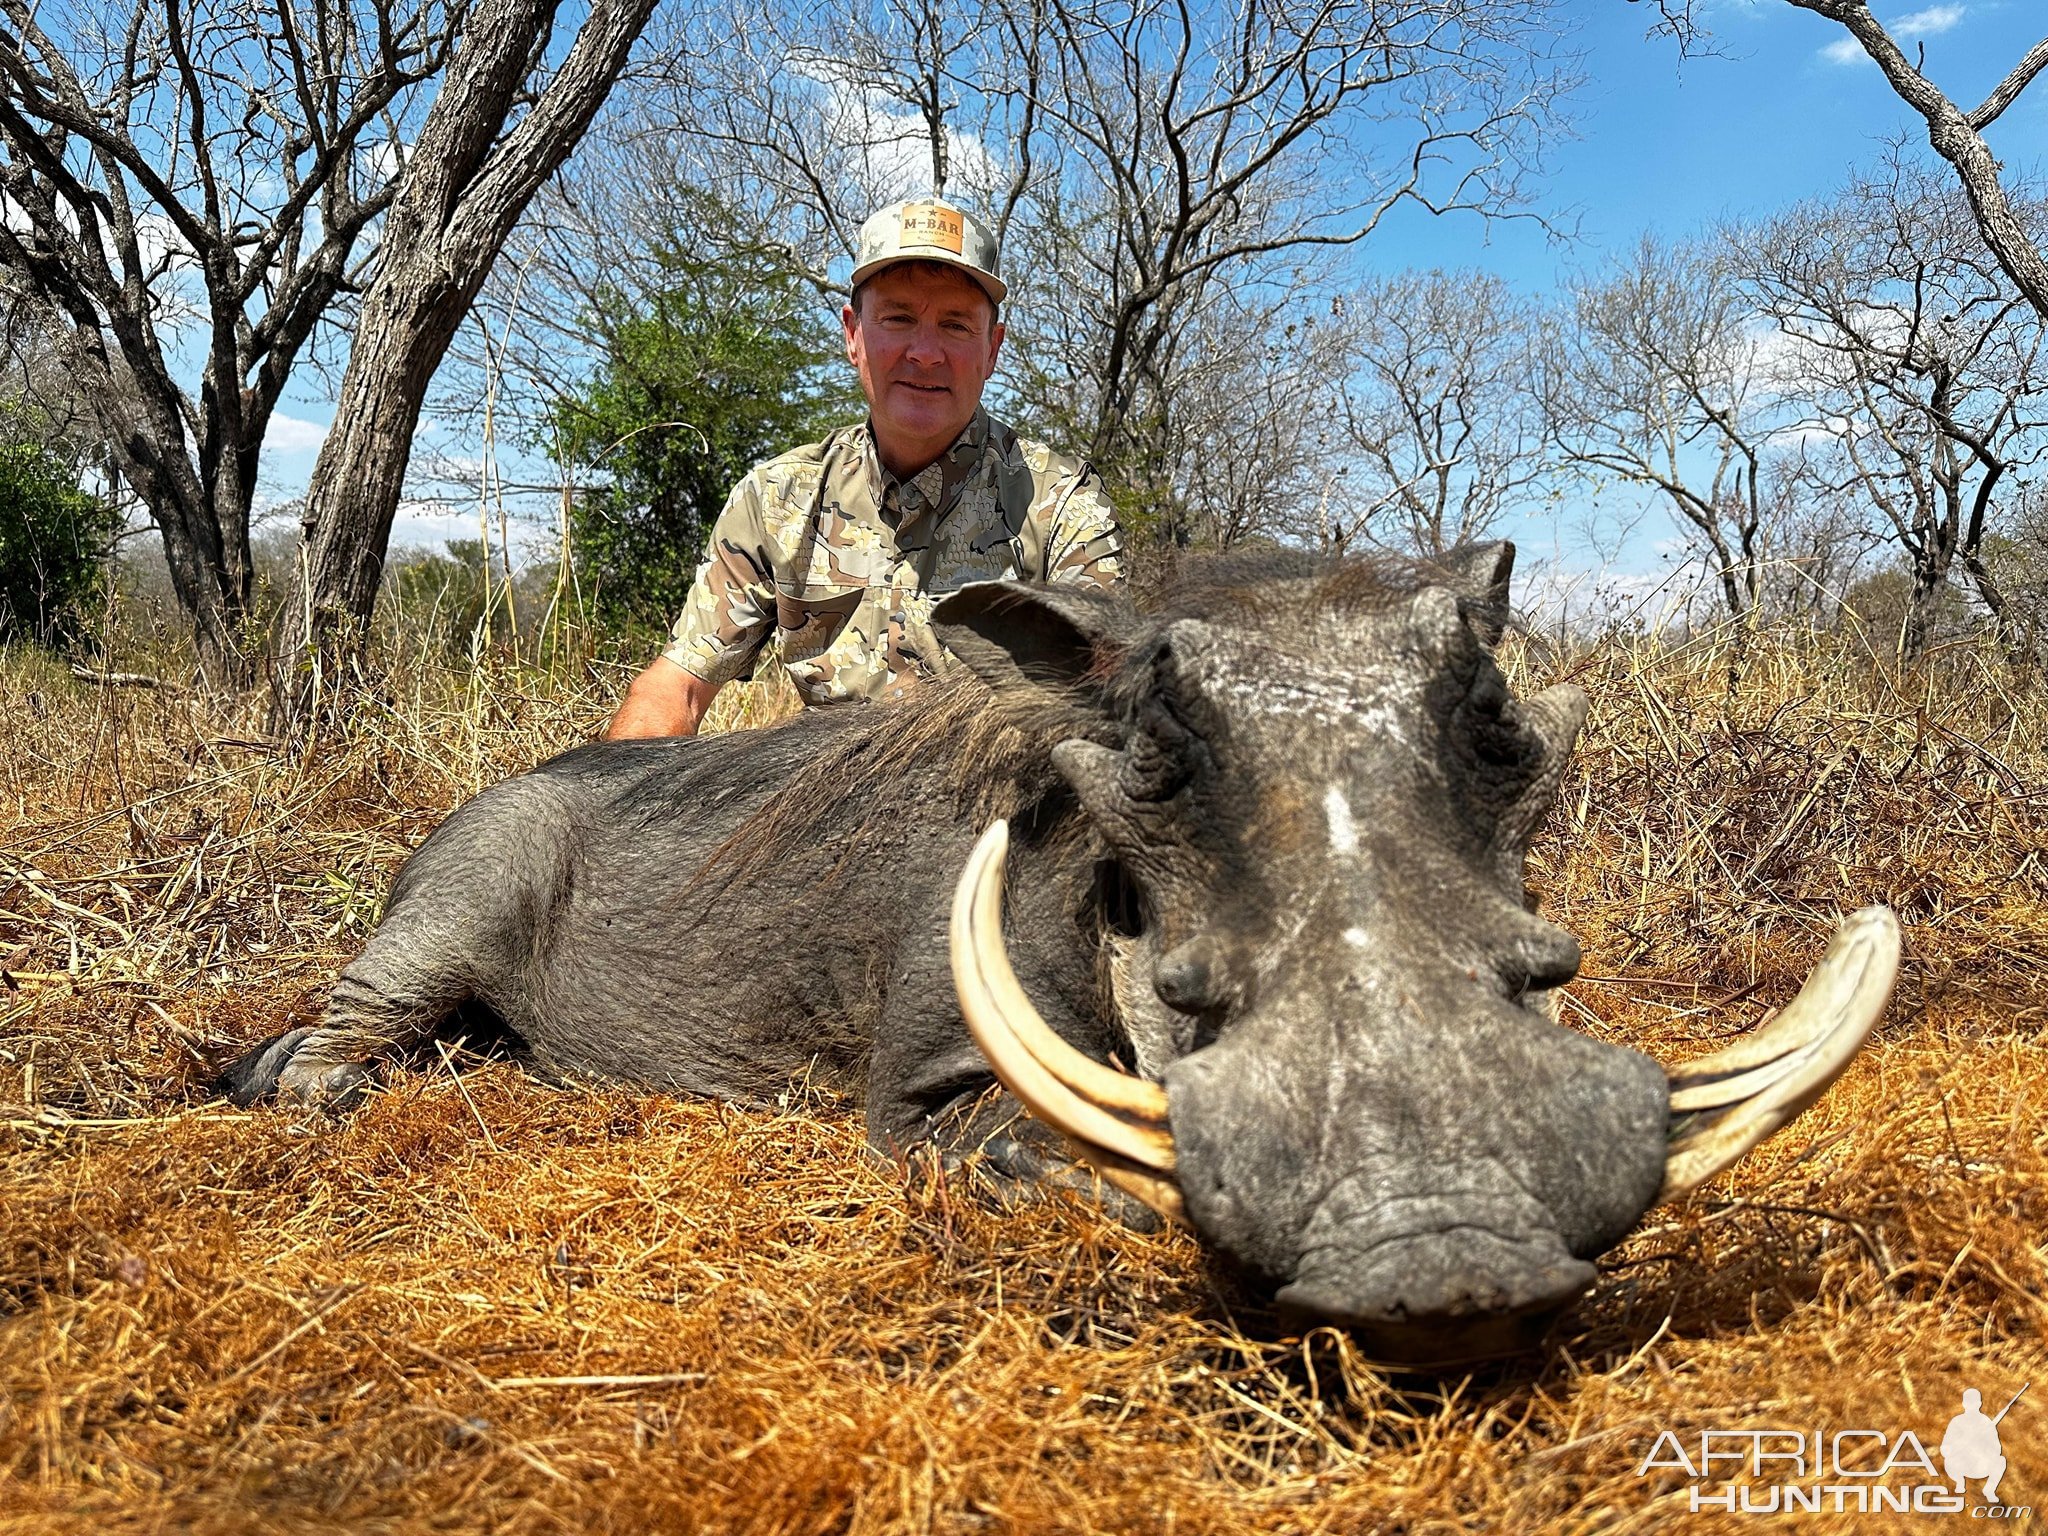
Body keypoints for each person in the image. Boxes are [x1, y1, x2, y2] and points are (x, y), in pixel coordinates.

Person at [607, 197, 1126, 739]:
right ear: (853, 334)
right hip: (823, 807)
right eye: (899, 318)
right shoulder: (776, 501)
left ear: (992, 349)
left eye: (955, 325)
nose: (926, 353)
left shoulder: (1066, 506)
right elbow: (677, 689)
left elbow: (1100, 706)